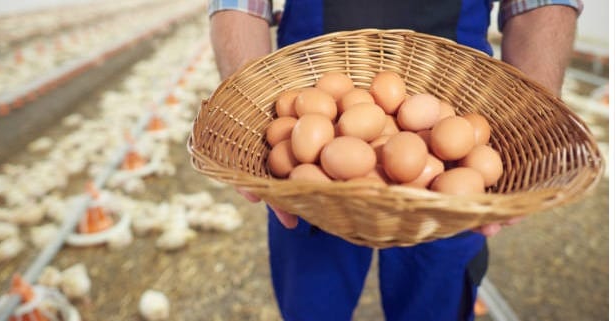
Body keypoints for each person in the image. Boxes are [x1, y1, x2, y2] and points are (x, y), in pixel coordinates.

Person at [208, 1, 582, 320]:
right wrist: (249, 105)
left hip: (451, 98)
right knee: (311, 298)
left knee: (436, 298)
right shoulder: (316, 130)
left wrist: (534, 116)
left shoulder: (444, 138)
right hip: (310, 89)